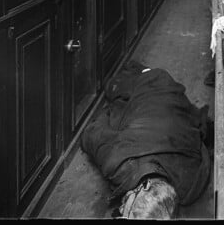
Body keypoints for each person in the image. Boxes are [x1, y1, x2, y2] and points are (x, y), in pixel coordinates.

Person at [81, 60, 212, 219]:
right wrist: (111, 116)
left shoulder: (191, 187)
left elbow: (203, 149)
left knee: (121, 101)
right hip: (149, 86)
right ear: (143, 188)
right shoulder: (119, 164)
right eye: (127, 211)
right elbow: (90, 134)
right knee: (112, 87)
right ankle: (141, 70)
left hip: (173, 95)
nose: (122, 210)